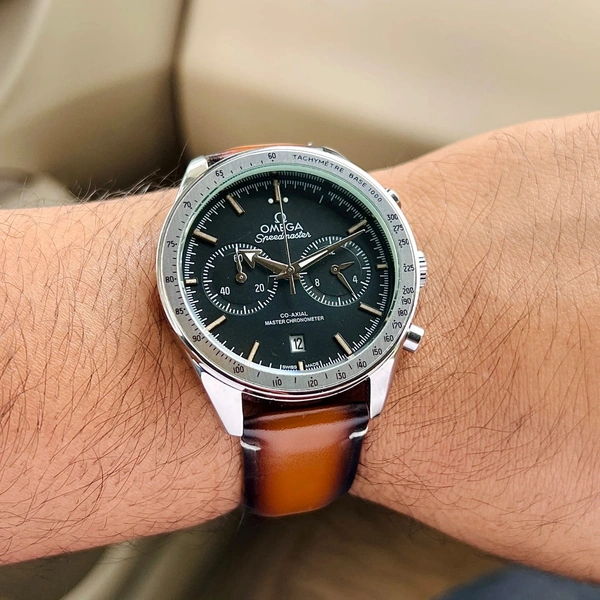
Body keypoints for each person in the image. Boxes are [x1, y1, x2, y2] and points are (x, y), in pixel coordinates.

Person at [0, 111, 598, 586]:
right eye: (279, 269)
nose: (290, 275)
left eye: (303, 268)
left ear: (412, 269)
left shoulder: (387, 277)